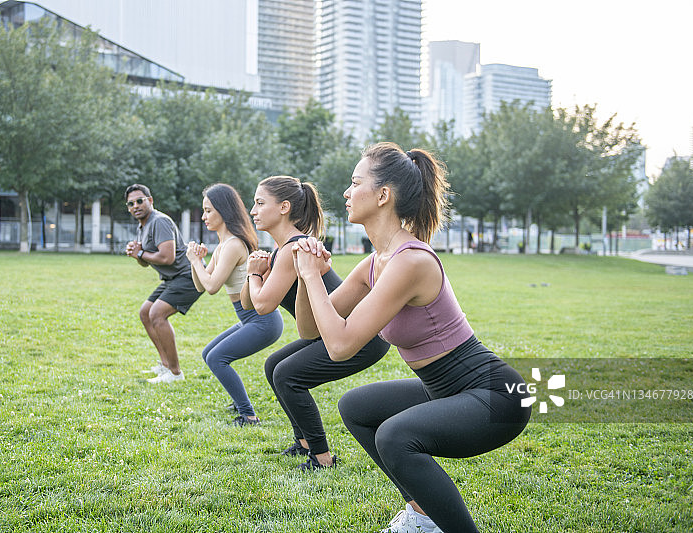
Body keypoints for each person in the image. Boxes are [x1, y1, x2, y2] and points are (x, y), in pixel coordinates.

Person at [292, 143, 530, 533]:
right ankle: (422, 516)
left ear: (383, 195)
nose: (347, 193)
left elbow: (340, 345)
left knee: (395, 435)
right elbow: (310, 330)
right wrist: (306, 277)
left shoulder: (411, 261)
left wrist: (314, 276)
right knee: (357, 407)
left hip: (495, 396)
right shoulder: (376, 262)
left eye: (355, 183)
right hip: (444, 388)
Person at [241, 175, 389, 471]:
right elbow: (248, 301)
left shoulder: (293, 249)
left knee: (287, 375)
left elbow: (262, 304)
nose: (253, 211)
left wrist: (255, 275)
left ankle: (322, 458)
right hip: (325, 333)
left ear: (283, 207)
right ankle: (305, 442)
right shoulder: (280, 251)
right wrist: (254, 271)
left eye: (259, 203)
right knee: (274, 366)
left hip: (360, 335)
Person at [185, 184, 284, 426]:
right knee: (209, 354)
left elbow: (212, 286)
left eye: (208, 211)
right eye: (203, 211)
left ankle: (248, 415)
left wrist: (195, 261)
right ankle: (238, 402)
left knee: (217, 358)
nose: (204, 216)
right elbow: (200, 285)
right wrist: (196, 261)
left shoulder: (233, 245)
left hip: (263, 321)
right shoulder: (223, 246)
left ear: (223, 210)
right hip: (249, 319)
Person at [124, 184, 202, 383]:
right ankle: (165, 365)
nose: (135, 206)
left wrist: (141, 253)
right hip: (172, 278)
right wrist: (137, 254)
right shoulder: (143, 225)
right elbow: (145, 262)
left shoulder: (159, 221)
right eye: (131, 204)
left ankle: (175, 373)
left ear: (150, 200)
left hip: (189, 275)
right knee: (145, 312)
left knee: (157, 314)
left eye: (140, 200)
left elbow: (167, 257)